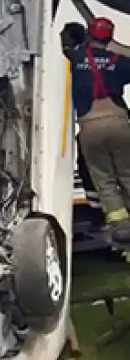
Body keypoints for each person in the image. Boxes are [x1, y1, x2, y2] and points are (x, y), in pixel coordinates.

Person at [71, 17, 130, 244]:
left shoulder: (76, 58)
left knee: (103, 179)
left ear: (89, 35)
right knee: (127, 173)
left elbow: (69, 48)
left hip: (90, 125)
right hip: (119, 122)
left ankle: (121, 226)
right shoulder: (120, 62)